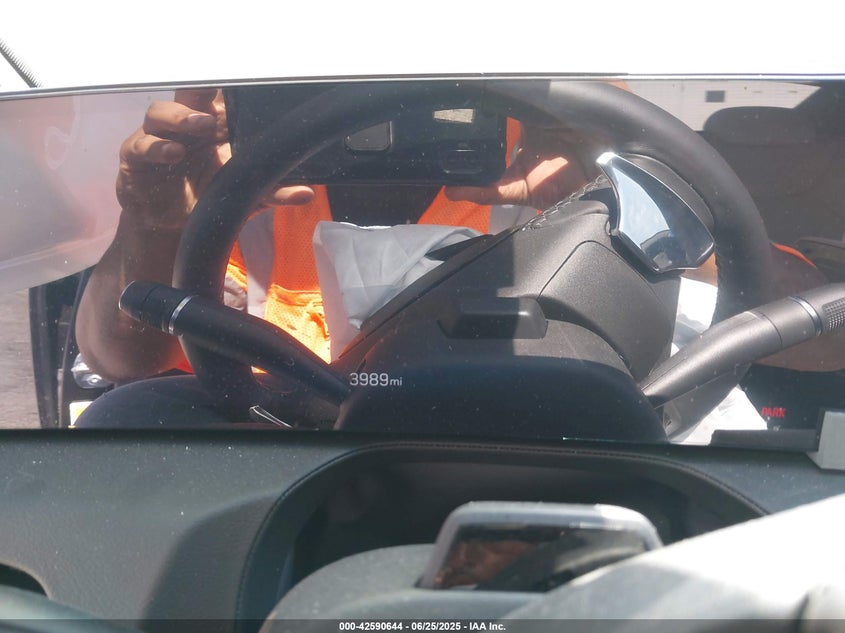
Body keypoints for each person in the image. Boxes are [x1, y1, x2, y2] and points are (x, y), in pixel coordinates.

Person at [74, 86, 841, 431]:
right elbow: (122, 359)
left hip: (571, 444)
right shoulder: (241, 176)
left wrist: (636, 193)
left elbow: (823, 341)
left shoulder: (560, 126)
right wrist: (159, 223)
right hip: (298, 453)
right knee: (128, 416)